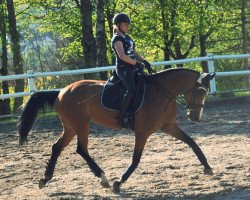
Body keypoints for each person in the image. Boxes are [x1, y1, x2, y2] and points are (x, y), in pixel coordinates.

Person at [111, 13, 155, 128]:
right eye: (125, 25)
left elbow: (134, 53)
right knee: (131, 89)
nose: (127, 27)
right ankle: (122, 117)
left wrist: (145, 61)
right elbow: (122, 56)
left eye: (127, 25)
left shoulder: (128, 38)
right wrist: (136, 63)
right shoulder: (117, 39)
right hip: (123, 68)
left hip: (132, 67)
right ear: (118, 25)